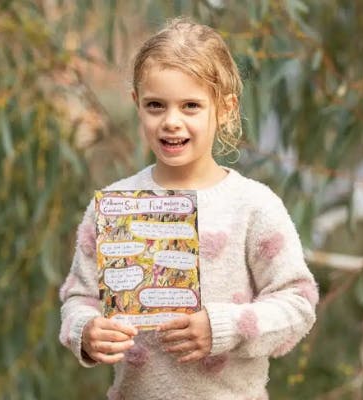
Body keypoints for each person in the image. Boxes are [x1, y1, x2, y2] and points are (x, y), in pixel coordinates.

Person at [58, 17, 318, 400]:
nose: (171, 122)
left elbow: (298, 304)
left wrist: (226, 326)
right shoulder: (111, 206)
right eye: (156, 105)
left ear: (225, 108)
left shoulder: (253, 206)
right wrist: (87, 331)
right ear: (137, 104)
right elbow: (79, 298)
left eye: (191, 106)